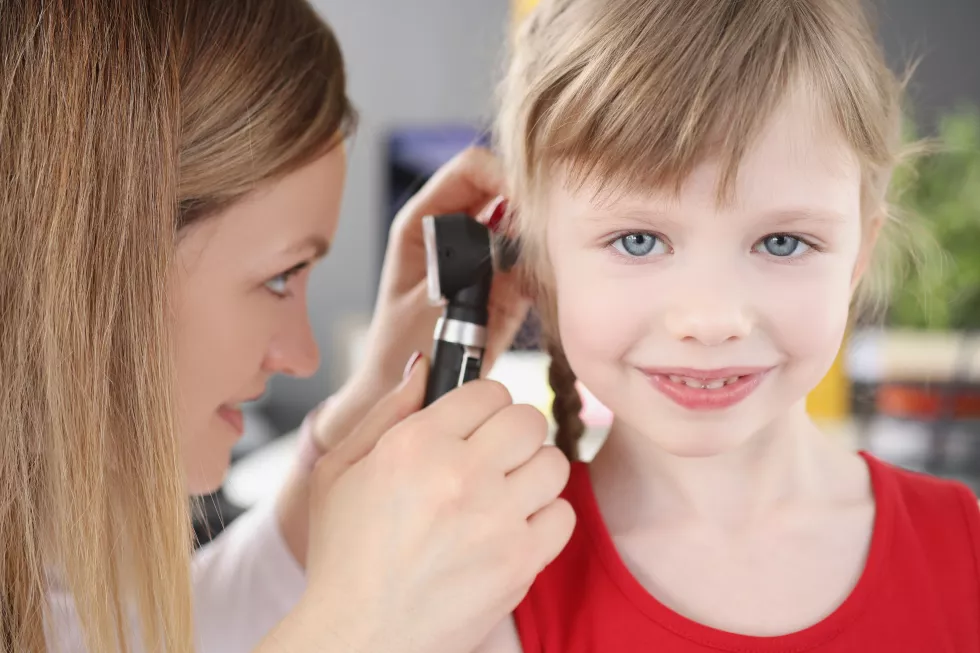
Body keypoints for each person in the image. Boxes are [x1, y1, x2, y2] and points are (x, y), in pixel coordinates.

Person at [0, 2, 574, 652]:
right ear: (92, 262)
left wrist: (381, 389)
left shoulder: (45, 567)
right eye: (279, 276)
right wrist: (357, 626)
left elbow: (178, 630)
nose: (302, 357)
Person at [473, 0, 980, 650]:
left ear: (859, 254)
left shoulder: (962, 550)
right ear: (539, 257)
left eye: (781, 242)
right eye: (637, 240)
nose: (710, 321)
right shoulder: (492, 581)